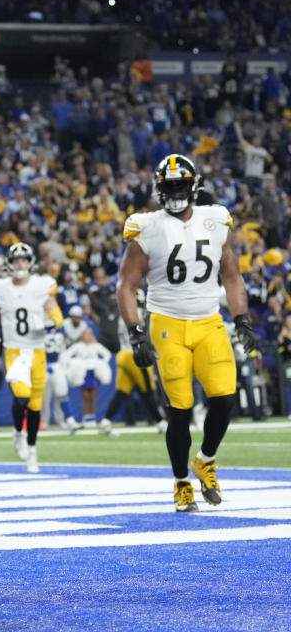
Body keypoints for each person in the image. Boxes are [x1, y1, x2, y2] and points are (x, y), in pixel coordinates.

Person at [117, 153, 257, 512]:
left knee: (225, 396)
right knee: (180, 409)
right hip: (167, 324)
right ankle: (181, 483)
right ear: (159, 190)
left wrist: (241, 318)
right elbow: (127, 285)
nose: (176, 191)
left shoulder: (215, 219)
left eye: (181, 185)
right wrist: (136, 332)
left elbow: (232, 275)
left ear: (194, 187)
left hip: (209, 320)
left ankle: (206, 461)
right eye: (170, 186)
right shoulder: (146, 226)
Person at [0, 242, 64, 473]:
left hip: (37, 350)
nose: (20, 264)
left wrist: (51, 321)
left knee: (35, 405)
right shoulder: (0, 287)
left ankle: (32, 451)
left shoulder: (41, 285)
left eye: (24, 260)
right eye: (16, 260)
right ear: (9, 263)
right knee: (22, 395)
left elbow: (55, 312)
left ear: (31, 262)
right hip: (15, 350)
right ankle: (18, 432)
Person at [63, 327, 113, 434]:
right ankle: (86, 417)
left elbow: (107, 354)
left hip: (93, 372)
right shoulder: (78, 346)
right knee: (85, 396)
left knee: (92, 396)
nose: (87, 336)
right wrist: (75, 363)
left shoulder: (96, 346)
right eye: (85, 334)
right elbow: (66, 355)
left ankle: (93, 418)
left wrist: (100, 363)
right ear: (82, 336)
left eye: (89, 334)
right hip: (83, 373)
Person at [42, 326, 78, 433]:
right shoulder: (38, 326)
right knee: (43, 396)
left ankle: (68, 420)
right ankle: (42, 421)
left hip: (57, 365)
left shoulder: (60, 329)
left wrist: (65, 369)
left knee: (62, 392)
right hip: (41, 365)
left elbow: (63, 351)